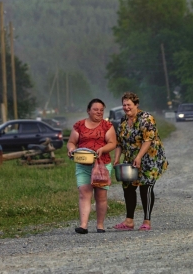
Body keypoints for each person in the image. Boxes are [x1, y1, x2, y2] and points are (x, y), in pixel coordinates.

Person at [113, 92, 168, 231]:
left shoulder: (147, 118)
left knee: (146, 187)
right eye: (124, 105)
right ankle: (129, 221)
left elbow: (148, 140)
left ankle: (146, 221)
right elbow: (119, 142)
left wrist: (139, 157)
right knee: (128, 187)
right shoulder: (123, 121)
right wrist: (116, 158)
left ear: (136, 104)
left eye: (129, 105)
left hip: (149, 157)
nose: (126, 107)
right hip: (131, 158)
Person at [67, 98, 117, 234]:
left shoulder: (107, 126)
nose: (99, 112)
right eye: (95, 110)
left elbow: (112, 142)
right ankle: (83, 225)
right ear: (88, 111)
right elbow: (71, 142)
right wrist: (71, 149)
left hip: (101, 165)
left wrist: (103, 149)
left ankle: (100, 225)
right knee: (84, 192)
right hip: (83, 164)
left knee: (101, 196)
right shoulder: (79, 125)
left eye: (101, 110)